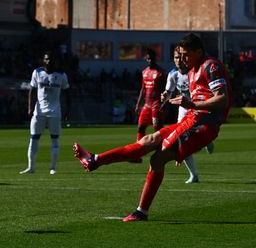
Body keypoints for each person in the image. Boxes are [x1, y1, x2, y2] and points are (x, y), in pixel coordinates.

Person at [73, 33, 232, 221]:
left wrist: (193, 105)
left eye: (186, 55)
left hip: (204, 124)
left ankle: (141, 211)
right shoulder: (190, 71)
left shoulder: (210, 66)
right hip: (190, 120)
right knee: (148, 140)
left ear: (198, 51)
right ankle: (95, 160)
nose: (182, 59)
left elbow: (223, 99)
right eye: (179, 55)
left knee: (157, 158)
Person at [20, 51, 70, 175]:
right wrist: (30, 107)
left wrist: (68, 110)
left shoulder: (61, 75)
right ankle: (31, 167)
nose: (48, 61)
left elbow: (67, 93)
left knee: (54, 140)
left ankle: (53, 168)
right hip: (39, 112)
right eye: (46, 59)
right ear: (43, 60)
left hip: (55, 112)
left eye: (51, 59)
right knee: (34, 139)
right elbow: (32, 90)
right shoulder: (37, 72)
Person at [162, 47, 202, 184]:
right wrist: (165, 96)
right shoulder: (173, 74)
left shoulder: (194, 72)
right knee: (182, 141)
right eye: (176, 57)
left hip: (198, 107)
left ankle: (207, 141)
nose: (178, 60)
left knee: (196, 137)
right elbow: (168, 91)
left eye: (181, 57)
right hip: (184, 109)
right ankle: (193, 174)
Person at [135, 48, 166, 141]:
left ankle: (161, 148)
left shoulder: (161, 72)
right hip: (146, 105)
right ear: (146, 59)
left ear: (155, 58)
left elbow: (165, 89)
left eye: (152, 58)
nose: (150, 60)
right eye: (148, 59)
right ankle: (139, 149)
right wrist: (138, 104)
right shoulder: (144, 72)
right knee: (140, 127)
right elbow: (143, 89)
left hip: (156, 105)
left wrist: (164, 103)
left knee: (157, 129)